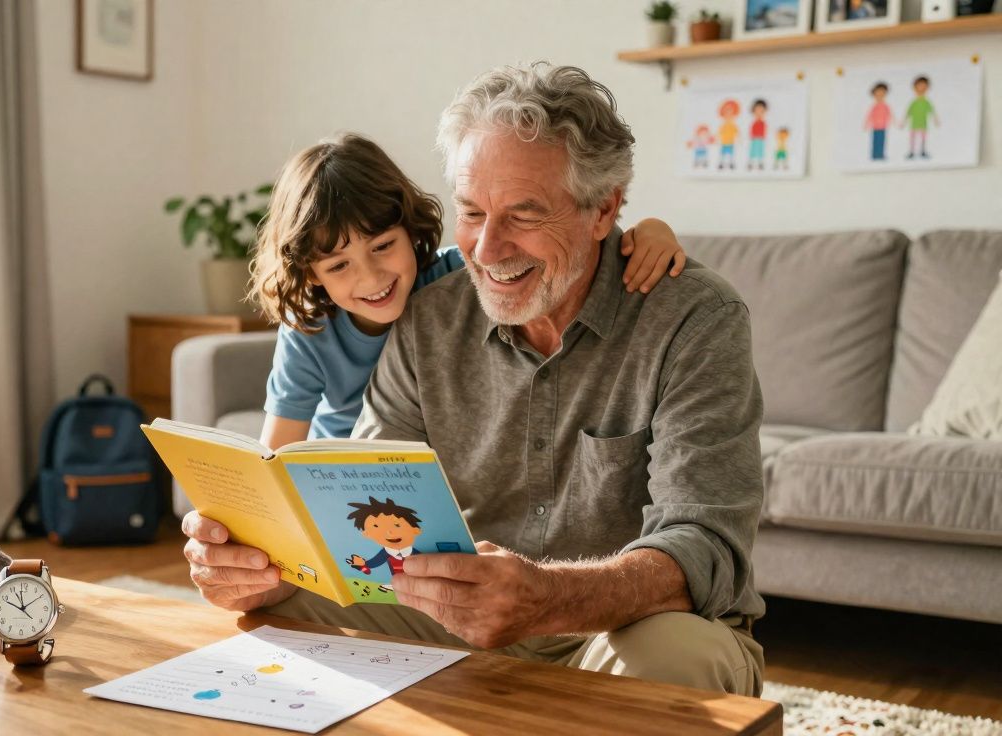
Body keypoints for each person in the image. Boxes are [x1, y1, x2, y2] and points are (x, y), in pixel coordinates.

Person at [182, 63, 766, 697]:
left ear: (605, 210)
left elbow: (706, 542)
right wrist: (261, 568)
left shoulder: (695, 317)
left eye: (523, 214)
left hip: (623, 622)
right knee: (275, 615)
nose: (487, 249)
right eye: (471, 213)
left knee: (677, 665)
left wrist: (548, 597)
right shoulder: (427, 312)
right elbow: (368, 496)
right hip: (457, 611)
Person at [248, 133, 687, 448]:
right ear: (310, 274)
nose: (370, 277)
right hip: (344, 476)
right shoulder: (309, 328)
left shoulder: (456, 277)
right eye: (339, 265)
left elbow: (578, 244)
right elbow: (279, 450)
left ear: (411, 230)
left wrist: (652, 230)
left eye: (383, 246)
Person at [865, 82, 892, 161]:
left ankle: (880, 154)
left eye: (882, 93)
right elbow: (869, 116)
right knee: (875, 141)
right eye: (878, 93)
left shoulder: (885, 106)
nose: (880, 95)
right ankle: (874, 154)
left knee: (882, 141)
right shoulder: (874, 107)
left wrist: (892, 122)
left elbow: (889, 115)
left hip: (883, 127)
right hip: (875, 127)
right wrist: (866, 124)